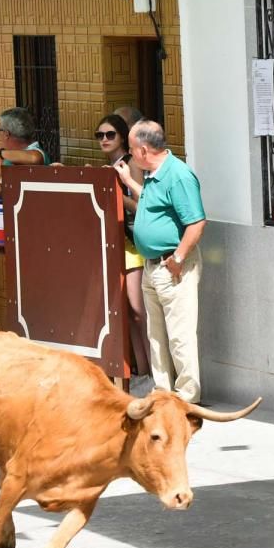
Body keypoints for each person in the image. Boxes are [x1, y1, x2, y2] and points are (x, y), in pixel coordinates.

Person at [114, 120, 205, 403]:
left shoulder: (177, 175)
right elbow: (154, 204)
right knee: (156, 335)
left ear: (143, 150)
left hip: (172, 265)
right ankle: (163, 393)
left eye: (130, 149)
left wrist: (177, 259)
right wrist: (129, 182)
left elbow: (197, 223)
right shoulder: (154, 174)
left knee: (179, 335)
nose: (129, 155)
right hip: (153, 265)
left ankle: (187, 396)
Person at [93, 113, 152, 396]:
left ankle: (153, 372)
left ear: (122, 137)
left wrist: (116, 191)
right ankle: (140, 370)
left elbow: (142, 205)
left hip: (134, 243)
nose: (104, 140)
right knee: (126, 312)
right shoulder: (109, 167)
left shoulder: (129, 165)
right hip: (116, 242)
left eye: (109, 135)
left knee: (139, 311)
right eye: (99, 135)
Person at [0, 107, 46, 254]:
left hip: (31, 233)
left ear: (6, 134)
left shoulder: (35, 152)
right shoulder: (9, 158)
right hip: (11, 232)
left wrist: (1, 154)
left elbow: (35, 158)